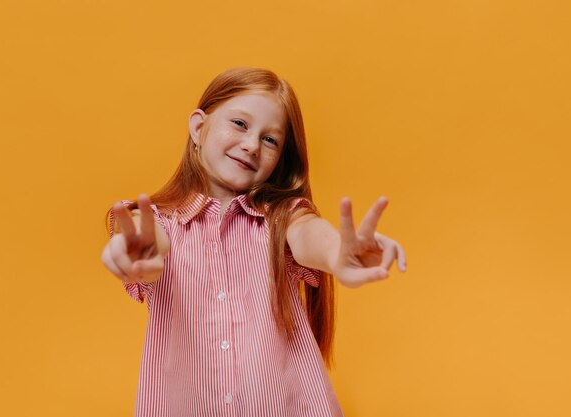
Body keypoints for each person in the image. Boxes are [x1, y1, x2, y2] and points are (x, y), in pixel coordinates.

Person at [101, 67, 407, 417]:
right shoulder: (159, 221)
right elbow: (145, 235)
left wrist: (338, 253)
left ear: (280, 159)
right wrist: (138, 249)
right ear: (199, 128)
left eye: (270, 139)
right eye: (240, 124)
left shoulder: (283, 217)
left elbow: (310, 235)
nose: (251, 145)